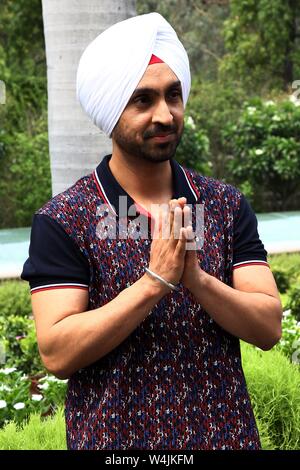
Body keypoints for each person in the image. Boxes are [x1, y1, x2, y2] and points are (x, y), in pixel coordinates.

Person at [21, 12, 282, 450]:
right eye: (142, 100)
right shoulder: (65, 219)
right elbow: (57, 352)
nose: (165, 114)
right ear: (111, 109)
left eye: (173, 95)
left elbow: (268, 327)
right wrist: (154, 283)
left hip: (227, 439)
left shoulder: (223, 205)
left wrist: (197, 281)